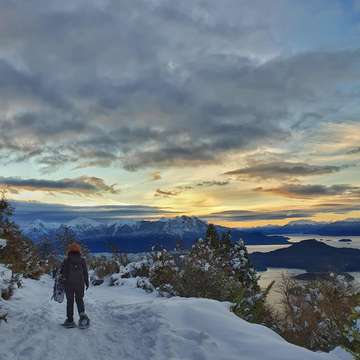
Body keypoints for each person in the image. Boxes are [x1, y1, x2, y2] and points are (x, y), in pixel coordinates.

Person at [60, 242, 89, 328]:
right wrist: (87, 283)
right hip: (80, 284)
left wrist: (62, 282)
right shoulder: (82, 260)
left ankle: (70, 321)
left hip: (68, 285)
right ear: (79, 250)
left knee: (70, 302)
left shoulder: (66, 260)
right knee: (79, 300)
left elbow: (63, 273)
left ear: (69, 250)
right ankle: (83, 319)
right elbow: (85, 273)